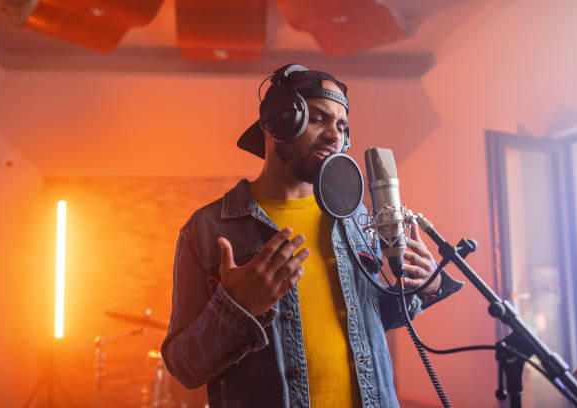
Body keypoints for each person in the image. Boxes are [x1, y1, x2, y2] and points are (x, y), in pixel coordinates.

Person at [161, 64, 463, 408]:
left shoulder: (356, 216)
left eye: (342, 125)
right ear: (277, 122)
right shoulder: (208, 229)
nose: (335, 137)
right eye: (319, 119)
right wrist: (237, 310)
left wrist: (423, 287)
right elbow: (184, 367)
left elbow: (367, 319)